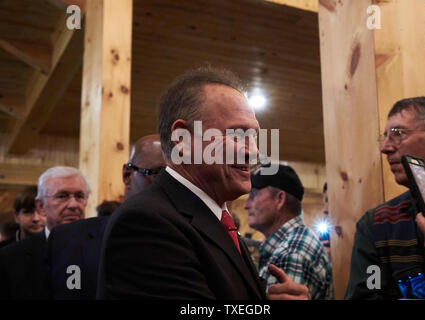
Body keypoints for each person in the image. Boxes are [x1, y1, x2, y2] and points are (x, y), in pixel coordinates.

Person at [97, 65, 309, 300]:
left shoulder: (213, 218)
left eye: (254, 137)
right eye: (238, 135)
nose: (255, 153)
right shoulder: (147, 222)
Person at [345, 96, 425, 299]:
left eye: (398, 134)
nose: (385, 147)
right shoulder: (377, 223)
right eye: (384, 137)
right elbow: (366, 295)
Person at [47, 134, 165, 300]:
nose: (170, 187)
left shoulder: (195, 243)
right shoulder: (68, 239)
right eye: (159, 174)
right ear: (127, 174)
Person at [244, 164, 333, 300]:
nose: (246, 205)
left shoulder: (291, 253)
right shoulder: (294, 243)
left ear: (280, 199)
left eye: (254, 195)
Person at [0, 166, 89, 299]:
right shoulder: (9, 258)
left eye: (79, 196)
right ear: (41, 206)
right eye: (62, 196)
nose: (73, 205)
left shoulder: (103, 251)